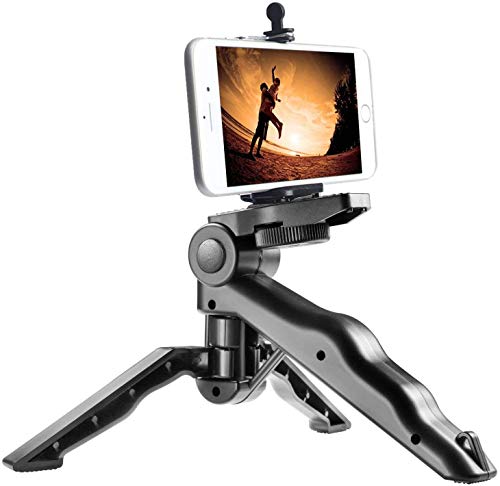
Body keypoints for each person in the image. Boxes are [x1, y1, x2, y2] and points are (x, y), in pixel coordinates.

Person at [248, 83, 271, 160]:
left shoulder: (267, 94)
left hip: (265, 114)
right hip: (262, 114)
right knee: (258, 133)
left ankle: (257, 152)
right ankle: (250, 152)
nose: (266, 88)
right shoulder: (264, 90)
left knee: (261, 136)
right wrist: (272, 98)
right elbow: (267, 93)